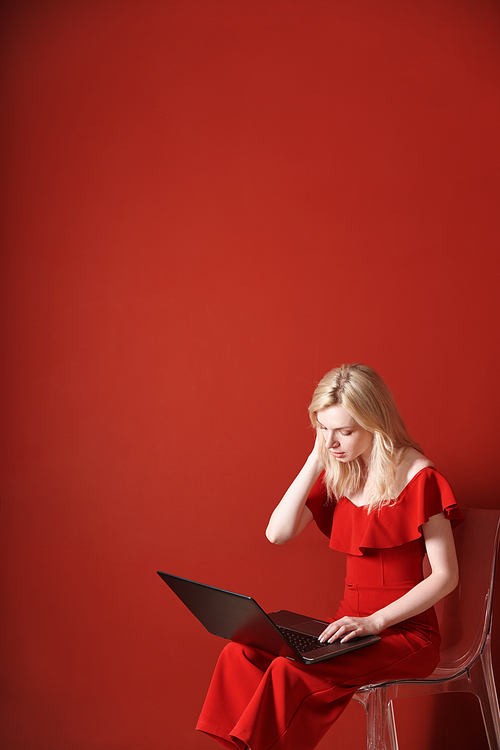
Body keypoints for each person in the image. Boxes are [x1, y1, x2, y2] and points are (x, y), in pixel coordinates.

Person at [196, 363, 464, 750]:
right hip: (345, 630)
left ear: (375, 423)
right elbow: (277, 533)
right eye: (323, 429)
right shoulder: (341, 469)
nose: (332, 441)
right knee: (240, 652)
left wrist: (375, 621)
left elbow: (445, 576)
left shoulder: (419, 476)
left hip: (404, 635)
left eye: (344, 431)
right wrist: (316, 459)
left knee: (289, 672)